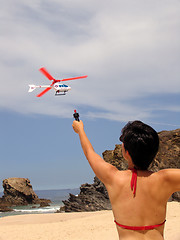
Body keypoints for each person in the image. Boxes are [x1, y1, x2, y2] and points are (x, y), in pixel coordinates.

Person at [72, 120, 180, 240]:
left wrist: (80, 130)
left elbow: (89, 153)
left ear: (126, 153)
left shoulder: (114, 178)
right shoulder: (166, 179)